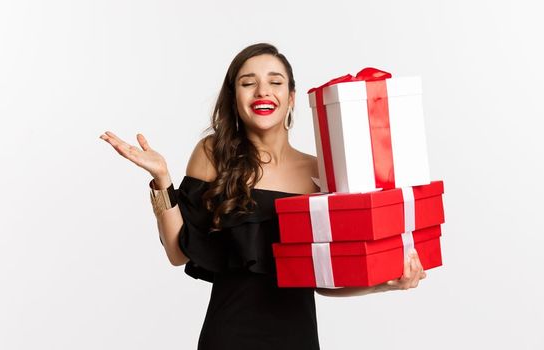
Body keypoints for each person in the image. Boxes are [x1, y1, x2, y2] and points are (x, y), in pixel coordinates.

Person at [99, 43, 426, 350]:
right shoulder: (213, 154)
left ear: (292, 97)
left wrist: (387, 283)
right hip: (228, 335)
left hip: (297, 338)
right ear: (234, 97)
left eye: (275, 81)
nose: (263, 91)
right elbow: (177, 252)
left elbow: (322, 279)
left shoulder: (321, 171)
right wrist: (161, 180)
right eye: (247, 83)